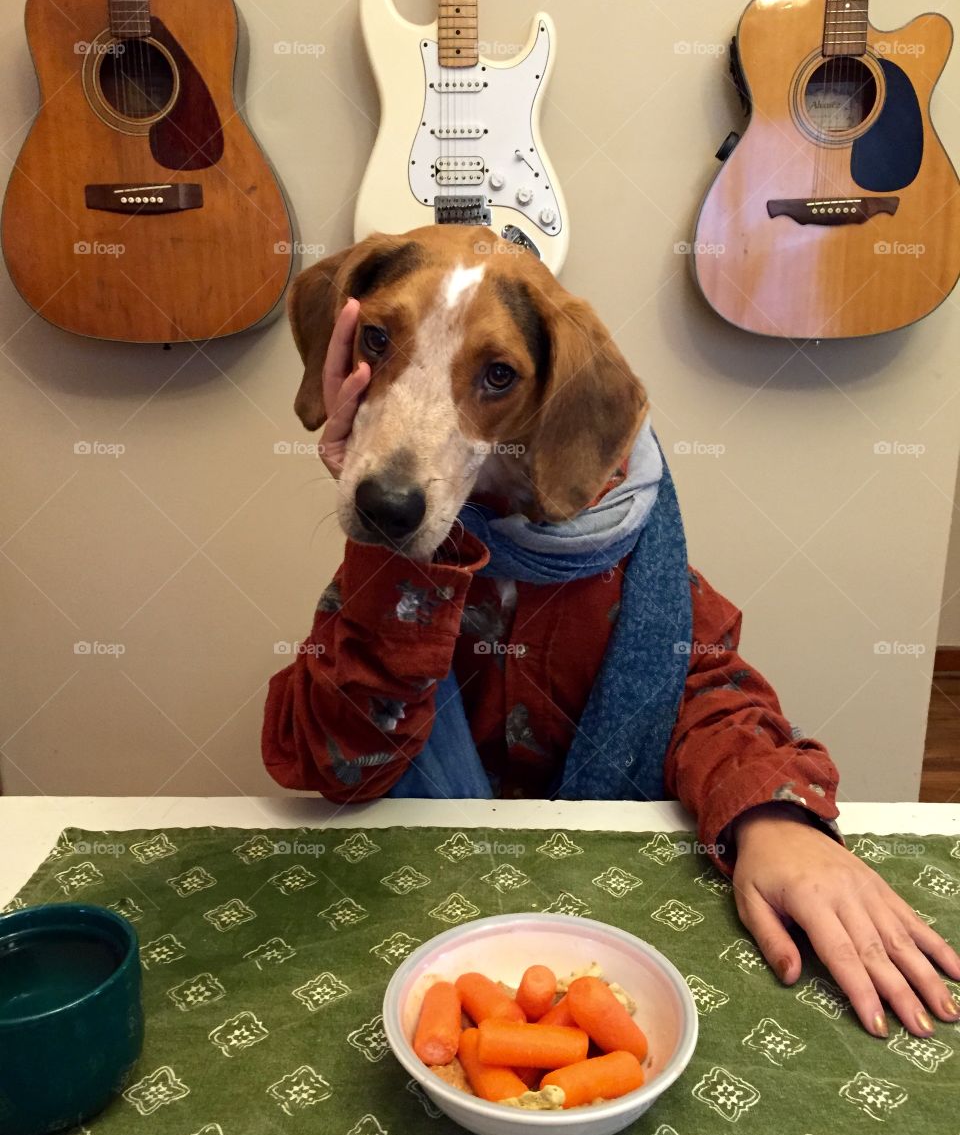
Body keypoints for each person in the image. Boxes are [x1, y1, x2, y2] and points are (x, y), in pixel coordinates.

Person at [263, 297, 960, 1041]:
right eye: (379, 341)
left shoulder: (632, 563)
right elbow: (332, 763)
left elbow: (702, 692)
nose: (419, 418)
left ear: (555, 402)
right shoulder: (387, 562)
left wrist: (773, 815)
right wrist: (387, 540)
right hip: (415, 933)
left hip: (605, 949)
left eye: (497, 373)